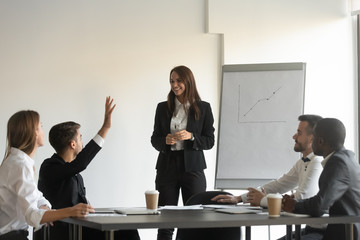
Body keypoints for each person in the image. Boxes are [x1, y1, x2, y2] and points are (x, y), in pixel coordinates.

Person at [36, 97, 140, 240]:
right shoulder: (49, 167)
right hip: (62, 231)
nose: (82, 142)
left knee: (128, 230)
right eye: (80, 137)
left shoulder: (75, 175)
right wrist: (105, 128)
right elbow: (79, 164)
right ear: (73, 144)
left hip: (78, 227)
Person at [212, 114, 325, 239]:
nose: (294, 136)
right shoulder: (303, 162)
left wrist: (262, 200)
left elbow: (300, 198)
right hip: (310, 228)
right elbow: (279, 185)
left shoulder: (317, 161)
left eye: (299, 133)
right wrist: (239, 198)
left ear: (311, 138)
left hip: (324, 232)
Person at [0, 110, 93, 240]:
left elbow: (36, 196)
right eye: (40, 126)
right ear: (33, 132)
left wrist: (44, 206)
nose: (43, 131)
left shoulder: (17, 162)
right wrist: (70, 211)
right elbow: (32, 215)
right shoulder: (20, 165)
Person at [151, 65, 215, 240]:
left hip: (193, 168)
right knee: (165, 222)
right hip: (167, 167)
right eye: (172, 81)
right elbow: (155, 139)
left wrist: (192, 136)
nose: (175, 84)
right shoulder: (162, 107)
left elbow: (210, 141)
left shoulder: (204, 108)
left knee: (194, 220)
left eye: (179, 80)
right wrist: (165, 140)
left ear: (188, 81)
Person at [283, 118, 360, 240]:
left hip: (344, 234)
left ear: (320, 141)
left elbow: (320, 206)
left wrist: (295, 205)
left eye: (313, 138)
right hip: (345, 230)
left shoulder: (337, 163)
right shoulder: (347, 158)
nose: (311, 142)